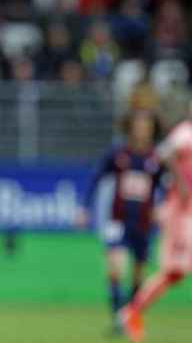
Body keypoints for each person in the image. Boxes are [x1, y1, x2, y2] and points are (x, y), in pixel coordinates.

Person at [77, 109, 165, 333]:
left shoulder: (157, 158)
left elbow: (166, 187)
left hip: (143, 224)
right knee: (115, 269)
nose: (141, 129)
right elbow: (96, 177)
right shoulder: (118, 154)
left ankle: (130, 317)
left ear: (152, 129)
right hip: (117, 220)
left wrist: (163, 209)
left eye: (146, 125)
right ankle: (118, 318)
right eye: (138, 125)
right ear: (130, 127)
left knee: (138, 275)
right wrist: (85, 208)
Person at [120, 102, 192, 343]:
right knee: (175, 270)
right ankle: (132, 310)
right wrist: (180, 182)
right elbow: (163, 153)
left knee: (175, 273)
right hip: (180, 213)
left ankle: (132, 310)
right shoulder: (184, 133)